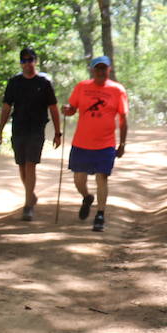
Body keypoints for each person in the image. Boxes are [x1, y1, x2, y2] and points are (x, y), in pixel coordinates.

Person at [0, 47, 62, 221]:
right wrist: (0, 131)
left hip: (37, 129)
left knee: (31, 164)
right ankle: (30, 195)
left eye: (30, 60)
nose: (27, 64)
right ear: (20, 63)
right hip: (19, 128)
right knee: (22, 166)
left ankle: (27, 205)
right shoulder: (14, 82)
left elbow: (53, 107)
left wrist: (57, 132)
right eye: (24, 61)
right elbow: (6, 107)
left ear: (35, 61)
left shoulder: (44, 82)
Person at [62, 55, 128, 232]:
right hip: (81, 142)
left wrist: (122, 144)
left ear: (109, 70)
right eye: (97, 68)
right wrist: (67, 110)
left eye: (103, 68)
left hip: (105, 143)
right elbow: (72, 109)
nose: (101, 72)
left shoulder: (117, 90)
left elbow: (123, 118)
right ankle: (86, 197)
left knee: (102, 177)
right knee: (78, 179)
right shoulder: (82, 87)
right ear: (92, 70)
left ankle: (100, 214)